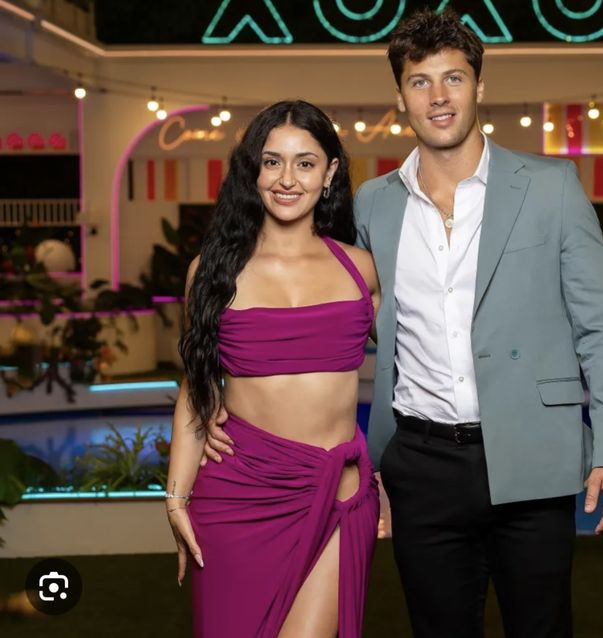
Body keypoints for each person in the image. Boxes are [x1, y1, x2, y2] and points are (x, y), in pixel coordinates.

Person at [205, 9, 603, 638]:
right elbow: (313, 303)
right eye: (420, 81)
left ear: (479, 86)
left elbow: (602, 326)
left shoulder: (551, 186)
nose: (439, 97)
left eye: (454, 78)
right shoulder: (373, 204)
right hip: (419, 463)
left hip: (531, 456)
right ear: (401, 95)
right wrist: (226, 396)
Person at [166, 100, 381, 638]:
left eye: (305, 163)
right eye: (272, 162)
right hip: (239, 492)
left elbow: (421, 362)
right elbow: (196, 387)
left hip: (338, 489)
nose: (288, 179)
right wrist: (175, 499)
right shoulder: (213, 272)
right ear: (253, 171)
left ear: (330, 172)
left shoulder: (360, 270)